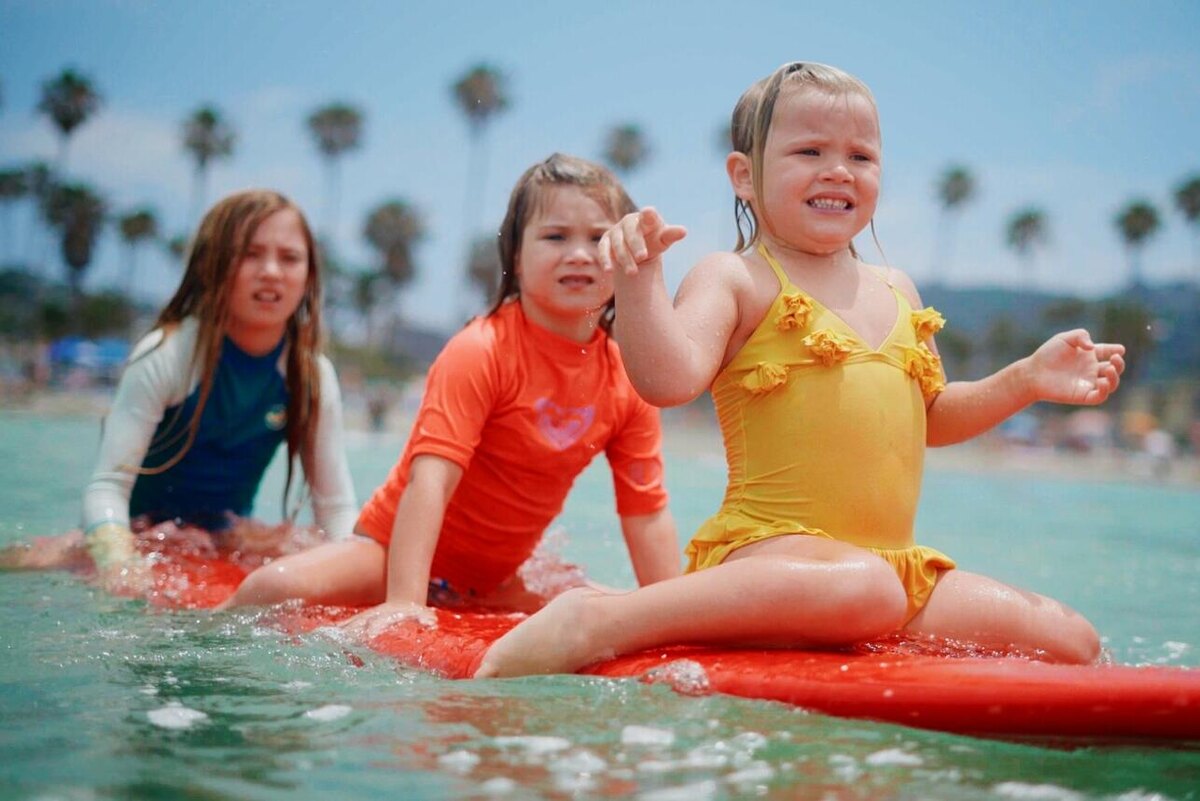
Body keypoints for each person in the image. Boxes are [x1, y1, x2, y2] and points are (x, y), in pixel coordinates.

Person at [474, 62, 1126, 678]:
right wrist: (639, 286)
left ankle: (836, 618)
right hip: (766, 553)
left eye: (861, 157)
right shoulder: (738, 277)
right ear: (744, 176)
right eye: (810, 152)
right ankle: (603, 616)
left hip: (891, 572)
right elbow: (667, 382)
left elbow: (931, 418)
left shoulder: (898, 288)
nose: (838, 171)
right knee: (866, 588)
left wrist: (1027, 379)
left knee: (1074, 641)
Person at [221, 154, 680, 627]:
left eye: (600, 238)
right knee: (270, 588)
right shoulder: (482, 349)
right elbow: (431, 482)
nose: (580, 254)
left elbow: (646, 514)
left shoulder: (628, 379)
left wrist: (672, 615)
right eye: (555, 236)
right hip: (388, 554)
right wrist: (404, 602)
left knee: (611, 607)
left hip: (495, 580)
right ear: (516, 258)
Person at [2, 190, 357, 594]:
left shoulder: (310, 377)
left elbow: (335, 507)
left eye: (290, 258)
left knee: (300, 545)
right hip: (136, 537)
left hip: (223, 538)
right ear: (212, 265)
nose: (272, 271)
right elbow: (106, 488)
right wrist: (120, 566)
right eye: (250, 254)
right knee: (37, 558)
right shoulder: (166, 356)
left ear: (309, 275)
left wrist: (350, 570)